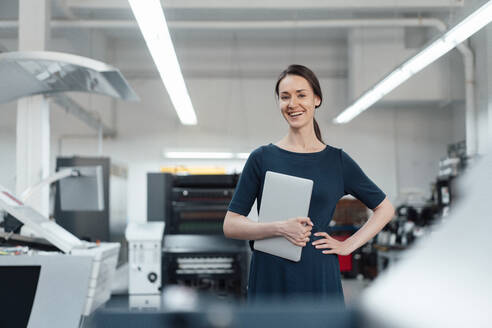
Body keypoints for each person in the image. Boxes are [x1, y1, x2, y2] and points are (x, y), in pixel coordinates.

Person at [223, 64, 395, 302]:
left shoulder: (337, 161)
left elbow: (385, 208)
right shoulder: (261, 158)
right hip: (270, 274)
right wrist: (279, 228)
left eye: (301, 95)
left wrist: (349, 245)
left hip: (318, 273)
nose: (292, 104)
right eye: (285, 97)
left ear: (317, 99)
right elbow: (231, 225)